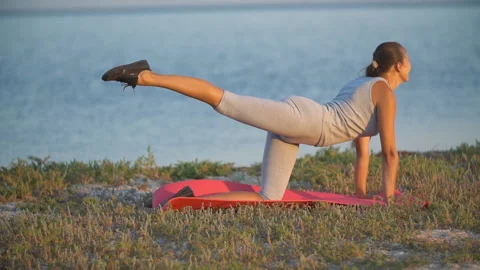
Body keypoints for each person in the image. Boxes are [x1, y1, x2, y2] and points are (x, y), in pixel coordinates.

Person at [102, 41, 411, 205]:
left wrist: (360, 192)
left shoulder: (363, 85)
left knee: (269, 197)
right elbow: (391, 153)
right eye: (408, 59)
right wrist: (389, 196)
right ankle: (146, 76)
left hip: (300, 129)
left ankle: (190, 201)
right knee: (225, 101)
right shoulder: (383, 92)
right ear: (398, 65)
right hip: (303, 121)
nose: (410, 64)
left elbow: (363, 148)